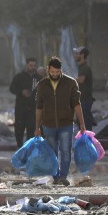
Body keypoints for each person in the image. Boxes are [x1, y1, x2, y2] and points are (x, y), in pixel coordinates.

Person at [34, 57, 86, 186]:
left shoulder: (70, 83)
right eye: (52, 72)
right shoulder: (42, 85)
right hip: (48, 125)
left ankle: (63, 177)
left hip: (66, 124)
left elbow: (77, 104)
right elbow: (39, 107)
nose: (55, 74)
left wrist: (82, 124)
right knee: (52, 153)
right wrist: (37, 127)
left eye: (57, 72)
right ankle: (56, 177)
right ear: (48, 70)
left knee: (66, 151)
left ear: (60, 70)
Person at [8, 57, 41, 148]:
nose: (32, 67)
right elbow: (11, 88)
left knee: (31, 129)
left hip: (33, 108)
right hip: (21, 108)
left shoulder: (38, 78)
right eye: (31, 65)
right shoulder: (19, 77)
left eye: (34, 66)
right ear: (27, 65)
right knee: (19, 129)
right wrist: (21, 92)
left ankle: (28, 148)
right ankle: (19, 146)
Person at [73, 46, 96, 129]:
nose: (75, 55)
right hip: (82, 100)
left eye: (77, 53)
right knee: (81, 124)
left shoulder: (85, 68)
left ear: (82, 55)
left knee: (85, 125)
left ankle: (87, 141)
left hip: (85, 100)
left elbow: (81, 80)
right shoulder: (81, 67)